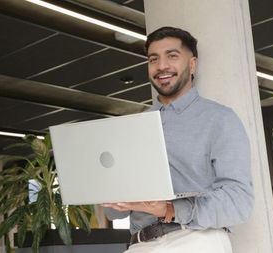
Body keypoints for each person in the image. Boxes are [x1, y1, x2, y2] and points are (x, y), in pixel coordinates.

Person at [102, 26, 254, 253]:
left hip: (196, 239)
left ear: (192, 64)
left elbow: (239, 201)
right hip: (140, 244)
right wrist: (112, 192)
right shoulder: (132, 128)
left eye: (172, 56)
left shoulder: (220, 119)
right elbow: (113, 213)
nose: (161, 65)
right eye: (154, 59)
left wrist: (170, 209)